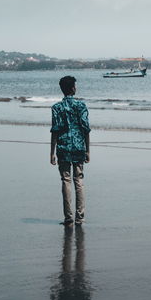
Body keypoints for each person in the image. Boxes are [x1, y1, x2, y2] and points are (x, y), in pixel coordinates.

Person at [50, 75, 90, 226]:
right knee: (79, 181)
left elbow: (55, 130)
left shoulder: (57, 108)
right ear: (73, 88)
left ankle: (68, 218)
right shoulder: (81, 106)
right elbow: (86, 129)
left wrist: (51, 152)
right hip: (79, 146)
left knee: (66, 180)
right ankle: (80, 217)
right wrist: (88, 150)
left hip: (63, 147)